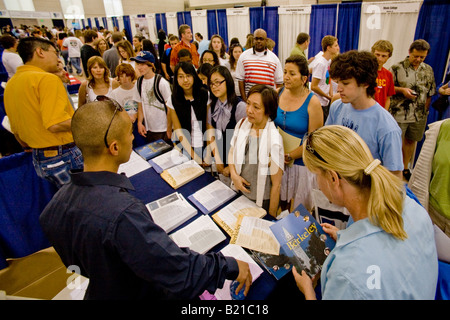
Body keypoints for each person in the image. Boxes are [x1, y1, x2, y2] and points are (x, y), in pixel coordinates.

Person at [39, 99, 252, 300]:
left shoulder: (54, 207)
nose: (133, 138)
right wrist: (228, 266)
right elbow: (176, 270)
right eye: (129, 133)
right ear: (114, 147)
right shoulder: (124, 215)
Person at [292, 125, 438, 299]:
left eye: (317, 175)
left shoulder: (347, 276)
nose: (317, 183)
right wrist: (347, 237)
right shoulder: (413, 208)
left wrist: (308, 291)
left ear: (333, 178)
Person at [4, 37, 83, 187]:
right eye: (55, 53)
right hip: (64, 154)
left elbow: (16, 129)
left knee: (69, 199)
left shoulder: (12, 83)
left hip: (40, 157)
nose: (57, 58)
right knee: (86, 198)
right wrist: (88, 121)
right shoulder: (47, 79)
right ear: (40, 52)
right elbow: (56, 123)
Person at [326, 50, 403, 179]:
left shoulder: (387, 127)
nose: (339, 88)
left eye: (345, 83)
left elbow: (394, 176)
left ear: (366, 83)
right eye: (338, 82)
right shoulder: (337, 107)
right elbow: (329, 142)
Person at [274, 55, 323, 211]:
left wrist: (290, 156)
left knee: (298, 210)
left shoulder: (313, 102)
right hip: (278, 159)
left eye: (292, 74)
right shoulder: (278, 92)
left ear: (304, 78)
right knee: (280, 202)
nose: (286, 77)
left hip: (300, 164)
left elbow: (314, 140)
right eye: (285, 72)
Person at [228, 84, 284, 217]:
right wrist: (234, 175)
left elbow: (276, 185)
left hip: (259, 200)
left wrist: (270, 217)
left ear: (268, 111)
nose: (249, 110)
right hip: (238, 191)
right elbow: (231, 152)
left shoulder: (274, 140)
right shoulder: (242, 124)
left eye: (256, 107)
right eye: (248, 104)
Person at [389, 39, 436, 181]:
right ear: (410, 52)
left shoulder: (428, 69)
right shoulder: (397, 68)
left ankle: (404, 167)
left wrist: (425, 110)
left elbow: (430, 91)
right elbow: (389, 89)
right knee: (396, 141)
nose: (418, 59)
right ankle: (393, 168)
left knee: (411, 141)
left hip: (419, 114)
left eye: (422, 57)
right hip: (399, 112)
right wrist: (402, 90)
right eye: (416, 56)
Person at [207, 65, 247, 184]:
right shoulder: (212, 105)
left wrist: (231, 166)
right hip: (219, 158)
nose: (214, 86)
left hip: (237, 162)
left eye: (218, 82)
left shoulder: (240, 107)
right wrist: (218, 160)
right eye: (212, 84)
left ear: (228, 81)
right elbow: (211, 132)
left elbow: (245, 141)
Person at [167, 62, 209, 165]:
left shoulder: (205, 95)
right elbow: (179, 130)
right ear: (176, 79)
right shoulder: (173, 99)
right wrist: (194, 156)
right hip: (185, 146)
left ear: (194, 76)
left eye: (188, 76)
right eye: (181, 76)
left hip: (205, 144)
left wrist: (208, 152)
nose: (185, 80)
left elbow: (209, 125)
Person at [132, 51, 172, 144]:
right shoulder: (139, 82)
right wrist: (140, 123)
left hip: (163, 128)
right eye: (138, 64)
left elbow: (170, 108)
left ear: (151, 65)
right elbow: (140, 104)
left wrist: (169, 128)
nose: (139, 67)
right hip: (148, 129)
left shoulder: (161, 82)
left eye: (143, 64)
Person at [235, 28, 283, 101]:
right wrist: (245, 100)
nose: (258, 41)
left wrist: (275, 101)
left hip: (267, 102)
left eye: (261, 39)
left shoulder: (274, 59)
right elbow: (241, 81)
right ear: (253, 40)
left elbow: (279, 83)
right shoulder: (244, 56)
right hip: (250, 101)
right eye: (256, 39)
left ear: (266, 41)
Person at [310, 35, 340, 122]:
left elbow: (328, 80)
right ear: (328, 48)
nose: (338, 48)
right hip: (319, 103)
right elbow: (314, 86)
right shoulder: (321, 63)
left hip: (325, 102)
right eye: (335, 45)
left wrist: (331, 95)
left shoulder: (328, 62)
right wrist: (328, 97)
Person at [371, 40, 395, 110]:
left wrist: (385, 114)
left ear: (388, 57)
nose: (380, 59)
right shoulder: (364, 71)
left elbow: (388, 98)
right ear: (372, 53)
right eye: (377, 55)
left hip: (380, 112)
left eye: (384, 56)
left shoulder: (388, 74)